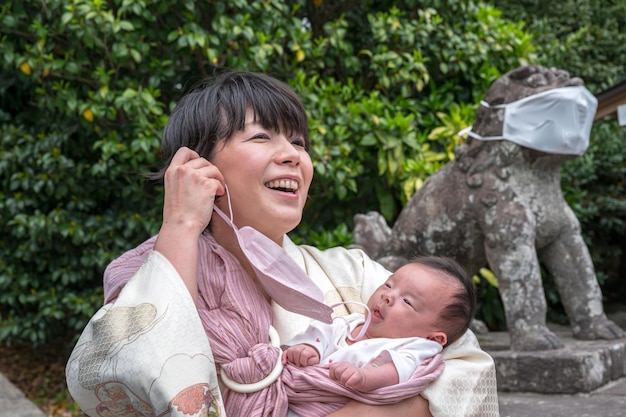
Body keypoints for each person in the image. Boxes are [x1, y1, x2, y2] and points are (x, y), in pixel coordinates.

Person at [66, 70, 499, 417]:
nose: (292, 154)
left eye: (298, 142)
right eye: (261, 136)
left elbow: (466, 363)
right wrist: (179, 223)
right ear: (197, 163)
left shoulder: (352, 272)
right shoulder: (146, 276)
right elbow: (128, 367)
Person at [282, 256, 476, 393]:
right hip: (305, 392)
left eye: (407, 301)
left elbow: (398, 371)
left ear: (433, 338)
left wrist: (365, 377)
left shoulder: (414, 346)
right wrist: (308, 349)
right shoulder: (348, 322)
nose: (388, 296)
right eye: (389, 285)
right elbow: (321, 334)